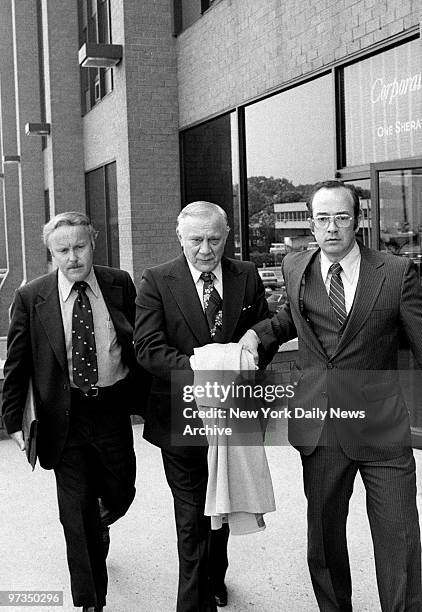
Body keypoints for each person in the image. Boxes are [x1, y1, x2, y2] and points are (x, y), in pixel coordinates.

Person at [241, 180, 422, 611]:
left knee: (400, 541)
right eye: (322, 219)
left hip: (380, 427)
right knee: (323, 544)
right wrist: (255, 334)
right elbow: (291, 316)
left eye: (341, 217)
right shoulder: (294, 266)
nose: (332, 228)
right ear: (311, 223)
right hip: (319, 427)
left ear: (357, 221)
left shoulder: (397, 273)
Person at [2, 212, 143, 612]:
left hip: (112, 409)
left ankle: (102, 521)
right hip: (63, 418)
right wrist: (12, 420)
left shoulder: (119, 284)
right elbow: (17, 363)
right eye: (62, 250)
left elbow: (138, 343)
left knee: (121, 492)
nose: (72, 257)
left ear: (93, 242)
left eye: (79, 247)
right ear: (51, 253)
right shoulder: (32, 297)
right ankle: (91, 600)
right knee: (74, 515)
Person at [134, 201, 270, 611]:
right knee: (192, 517)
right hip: (182, 415)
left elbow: (262, 331)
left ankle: (215, 576)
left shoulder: (246, 275)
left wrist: (251, 351)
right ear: (180, 237)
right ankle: (192, 603)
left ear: (226, 236)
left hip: (234, 413)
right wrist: (208, 367)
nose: (206, 249)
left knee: (223, 507)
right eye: (196, 239)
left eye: (214, 238)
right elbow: (147, 348)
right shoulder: (157, 280)